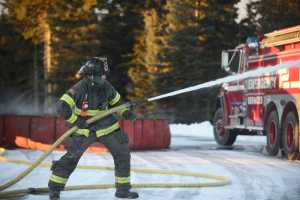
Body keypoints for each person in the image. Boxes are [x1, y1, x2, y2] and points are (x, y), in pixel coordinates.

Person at [48, 57, 139, 200]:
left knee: (122, 154)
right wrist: (76, 120)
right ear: (91, 75)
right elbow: (61, 107)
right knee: (71, 158)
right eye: (101, 75)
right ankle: (54, 190)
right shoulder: (79, 88)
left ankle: (123, 191)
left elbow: (118, 103)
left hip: (107, 127)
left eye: (104, 75)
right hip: (84, 130)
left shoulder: (106, 86)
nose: (104, 77)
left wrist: (125, 112)